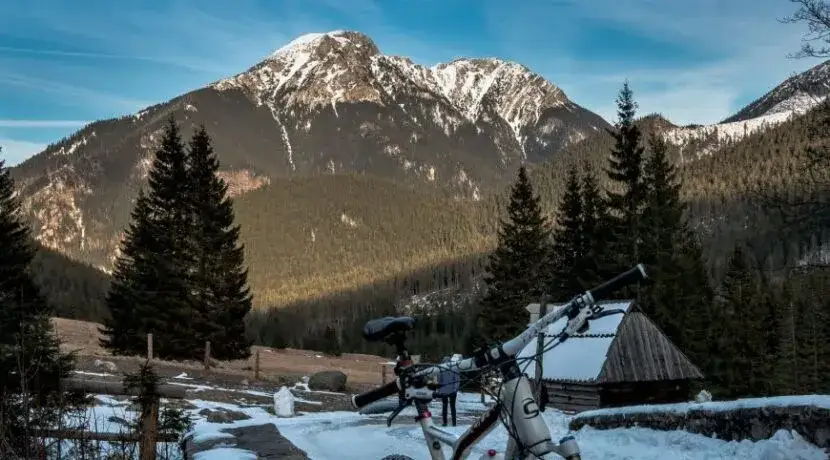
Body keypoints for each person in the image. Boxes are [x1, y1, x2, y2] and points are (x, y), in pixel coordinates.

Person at [437, 355, 461, 426]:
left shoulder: (441, 368)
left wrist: (440, 387)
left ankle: (445, 422)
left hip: (444, 390)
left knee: (444, 407)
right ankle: (454, 423)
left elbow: (439, 379)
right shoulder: (454, 368)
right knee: (453, 407)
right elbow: (457, 379)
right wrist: (455, 388)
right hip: (452, 390)